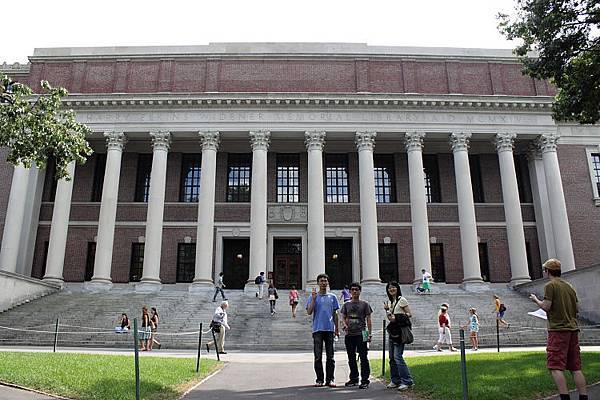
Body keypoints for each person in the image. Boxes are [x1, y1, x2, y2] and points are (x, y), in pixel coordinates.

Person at [530, 258, 588, 400]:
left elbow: (546, 306)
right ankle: (583, 397)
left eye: (545, 270)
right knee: (575, 367)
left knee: (555, 366)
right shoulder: (569, 286)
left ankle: (564, 397)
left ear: (548, 271)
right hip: (573, 329)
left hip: (558, 330)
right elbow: (578, 309)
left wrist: (536, 300)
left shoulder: (551, 285)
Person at [306, 273, 340, 388]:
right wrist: (314, 300)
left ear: (328, 283)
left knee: (330, 356)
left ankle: (330, 379)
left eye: (325, 281)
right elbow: (309, 312)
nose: (323, 283)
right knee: (317, 356)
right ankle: (319, 379)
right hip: (317, 329)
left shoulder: (333, 297)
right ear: (318, 283)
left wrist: (337, 329)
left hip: (330, 329)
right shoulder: (313, 297)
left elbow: (335, 314)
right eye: (321, 281)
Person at [340, 282, 372, 389]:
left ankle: (365, 380)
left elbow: (369, 319)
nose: (355, 291)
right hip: (350, 334)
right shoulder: (346, 305)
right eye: (352, 289)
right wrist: (344, 324)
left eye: (357, 289)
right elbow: (343, 317)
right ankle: (354, 378)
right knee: (351, 358)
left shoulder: (365, 304)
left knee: (363, 357)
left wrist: (369, 334)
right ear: (349, 292)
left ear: (360, 291)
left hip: (362, 333)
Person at [384, 281, 414, 391]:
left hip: (400, 332)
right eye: (389, 288)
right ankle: (395, 380)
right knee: (391, 358)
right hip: (393, 331)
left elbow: (409, 314)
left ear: (397, 288)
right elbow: (390, 318)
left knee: (397, 356)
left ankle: (407, 381)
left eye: (393, 287)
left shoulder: (402, 300)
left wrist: (397, 317)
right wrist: (387, 311)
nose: (391, 289)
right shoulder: (390, 302)